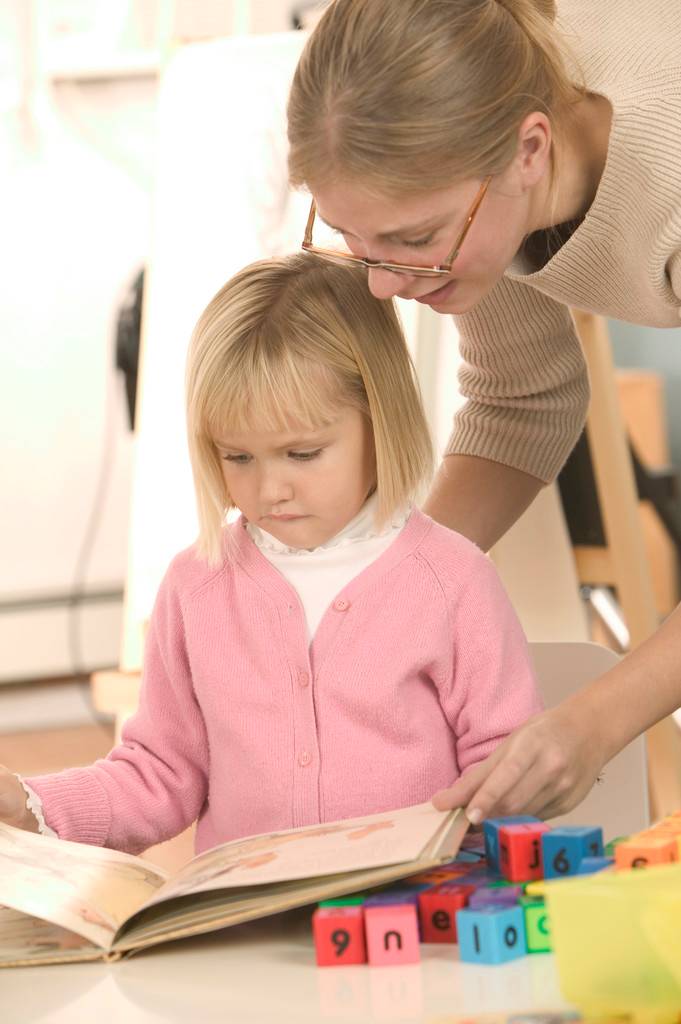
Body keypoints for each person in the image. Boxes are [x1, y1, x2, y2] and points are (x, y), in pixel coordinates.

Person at [286, 0, 681, 823]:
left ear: (528, 151)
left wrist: (593, 722)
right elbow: (522, 398)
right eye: (358, 238)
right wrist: (393, 587)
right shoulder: (493, 112)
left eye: (413, 235)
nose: (384, 283)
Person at [0, 254, 541, 854]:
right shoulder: (195, 587)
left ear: (379, 417)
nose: (269, 489)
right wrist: (31, 806)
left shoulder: (454, 580)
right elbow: (159, 773)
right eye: (238, 457)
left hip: (412, 926)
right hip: (246, 933)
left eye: (302, 454)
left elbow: (506, 773)